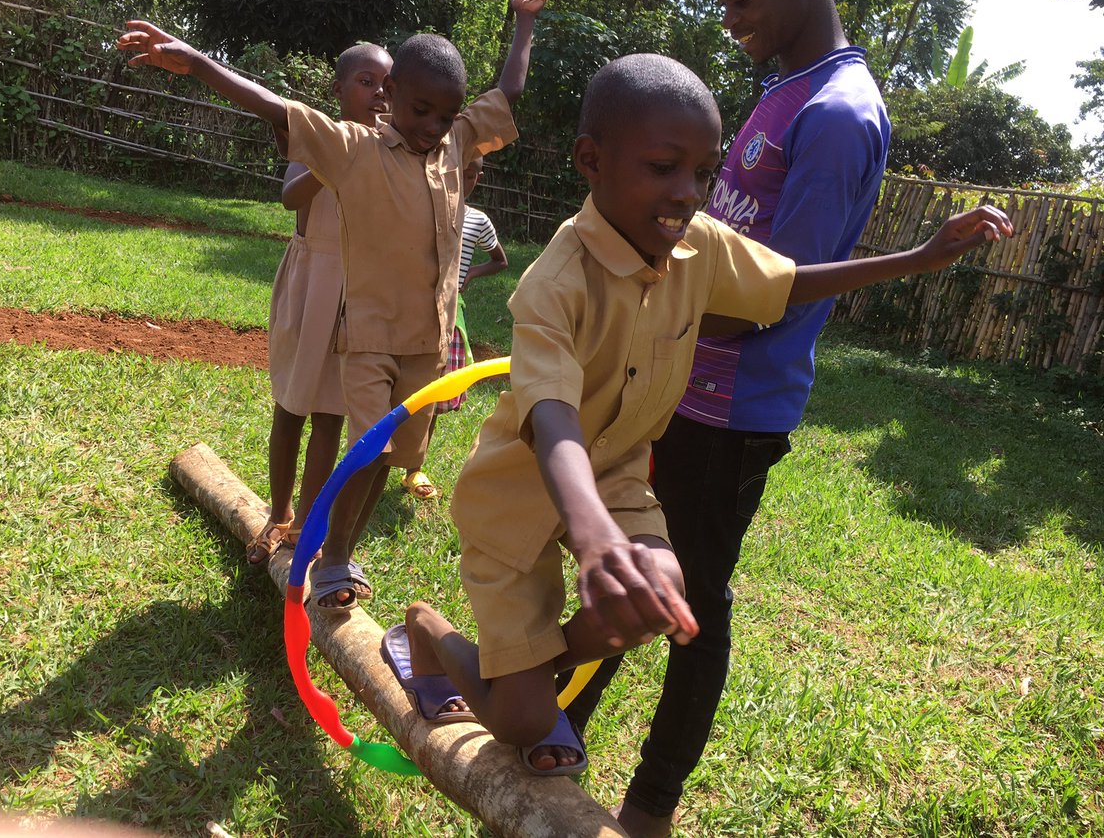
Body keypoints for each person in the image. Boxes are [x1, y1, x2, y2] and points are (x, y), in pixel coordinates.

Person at [383, 55, 1009, 778]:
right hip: (519, 498)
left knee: (660, 591)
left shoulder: (698, 246)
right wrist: (591, 539)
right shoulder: (554, 282)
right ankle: (429, 631)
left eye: (703, 172)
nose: (686, 193)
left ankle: (529, 659)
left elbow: (791, 281)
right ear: (592, 160)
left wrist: (920, 257)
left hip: (616, 477)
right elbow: (551, 417)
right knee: (522, 719)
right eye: (662, 167)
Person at [563, 0, 897, 833]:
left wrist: (643, 318)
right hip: (679, 390)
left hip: (731, 410)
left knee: (692, 606)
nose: (730, 15)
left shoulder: (834, 112)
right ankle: (554, 731)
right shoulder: (784, 93)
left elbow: (779, 290)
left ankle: (649, 806)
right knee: (631, 570)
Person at [118, 0, 548, 612]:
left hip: (427, 347)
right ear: (391, 95)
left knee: (393, 456)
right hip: (370, 340)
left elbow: (508, 90)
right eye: (419, 109)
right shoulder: (354, 148)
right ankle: (334, 555)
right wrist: (198, 62)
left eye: (443, 113)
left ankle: (342, 544)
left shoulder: (457, 140)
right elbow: (273, 108)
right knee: (365, 447)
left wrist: (524, 22)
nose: (431, 125)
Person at [249, 43, 393, 565]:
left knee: (332, 415)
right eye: (365, 81)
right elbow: (290, 197)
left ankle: (305, 525)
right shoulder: (318, 137)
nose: (379, 93)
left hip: (355, 294)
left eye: (386, 85)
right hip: (311, 285)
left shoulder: (391, 153)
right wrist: (342, 159)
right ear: (338, 89)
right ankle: (277, 513)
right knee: (291, 406)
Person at [401, 154, 509, 501]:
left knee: (431, 396)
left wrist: (471, 274)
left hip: (449, 316)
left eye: (475, 173)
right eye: (463, 171)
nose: (469, 178)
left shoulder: (478, 220)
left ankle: (413, 468)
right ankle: (373, 457)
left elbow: (500, 260)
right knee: (395, 389)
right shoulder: (420, 206)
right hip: (405, 309)